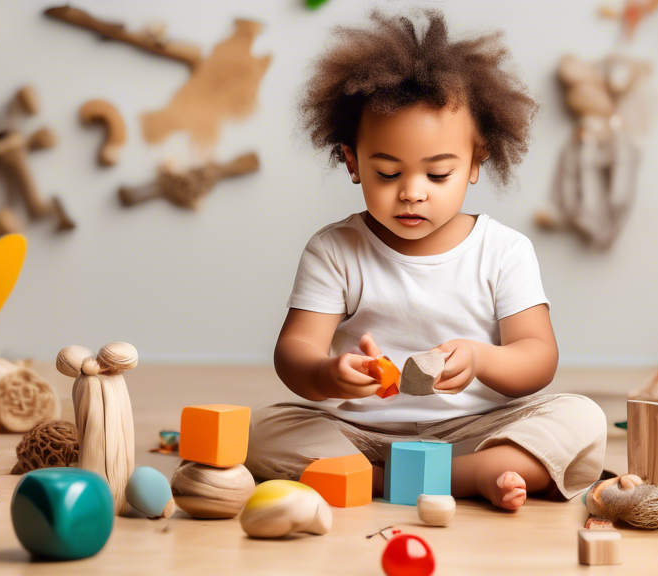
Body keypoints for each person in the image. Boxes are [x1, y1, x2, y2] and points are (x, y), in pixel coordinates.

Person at [245, 9, 606, 511]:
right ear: (352, 161)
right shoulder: (335, 249)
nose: (412, 194)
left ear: (477, 162)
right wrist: (330, 373)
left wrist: (481, 359)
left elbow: (538, 358)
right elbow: (295, 350)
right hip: (363, 433)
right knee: (263, 432)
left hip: (474, 431)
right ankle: (455, 479)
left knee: (581, 417)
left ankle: (413, 477)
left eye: (437, 176)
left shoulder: (503, 250)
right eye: (388, 173)